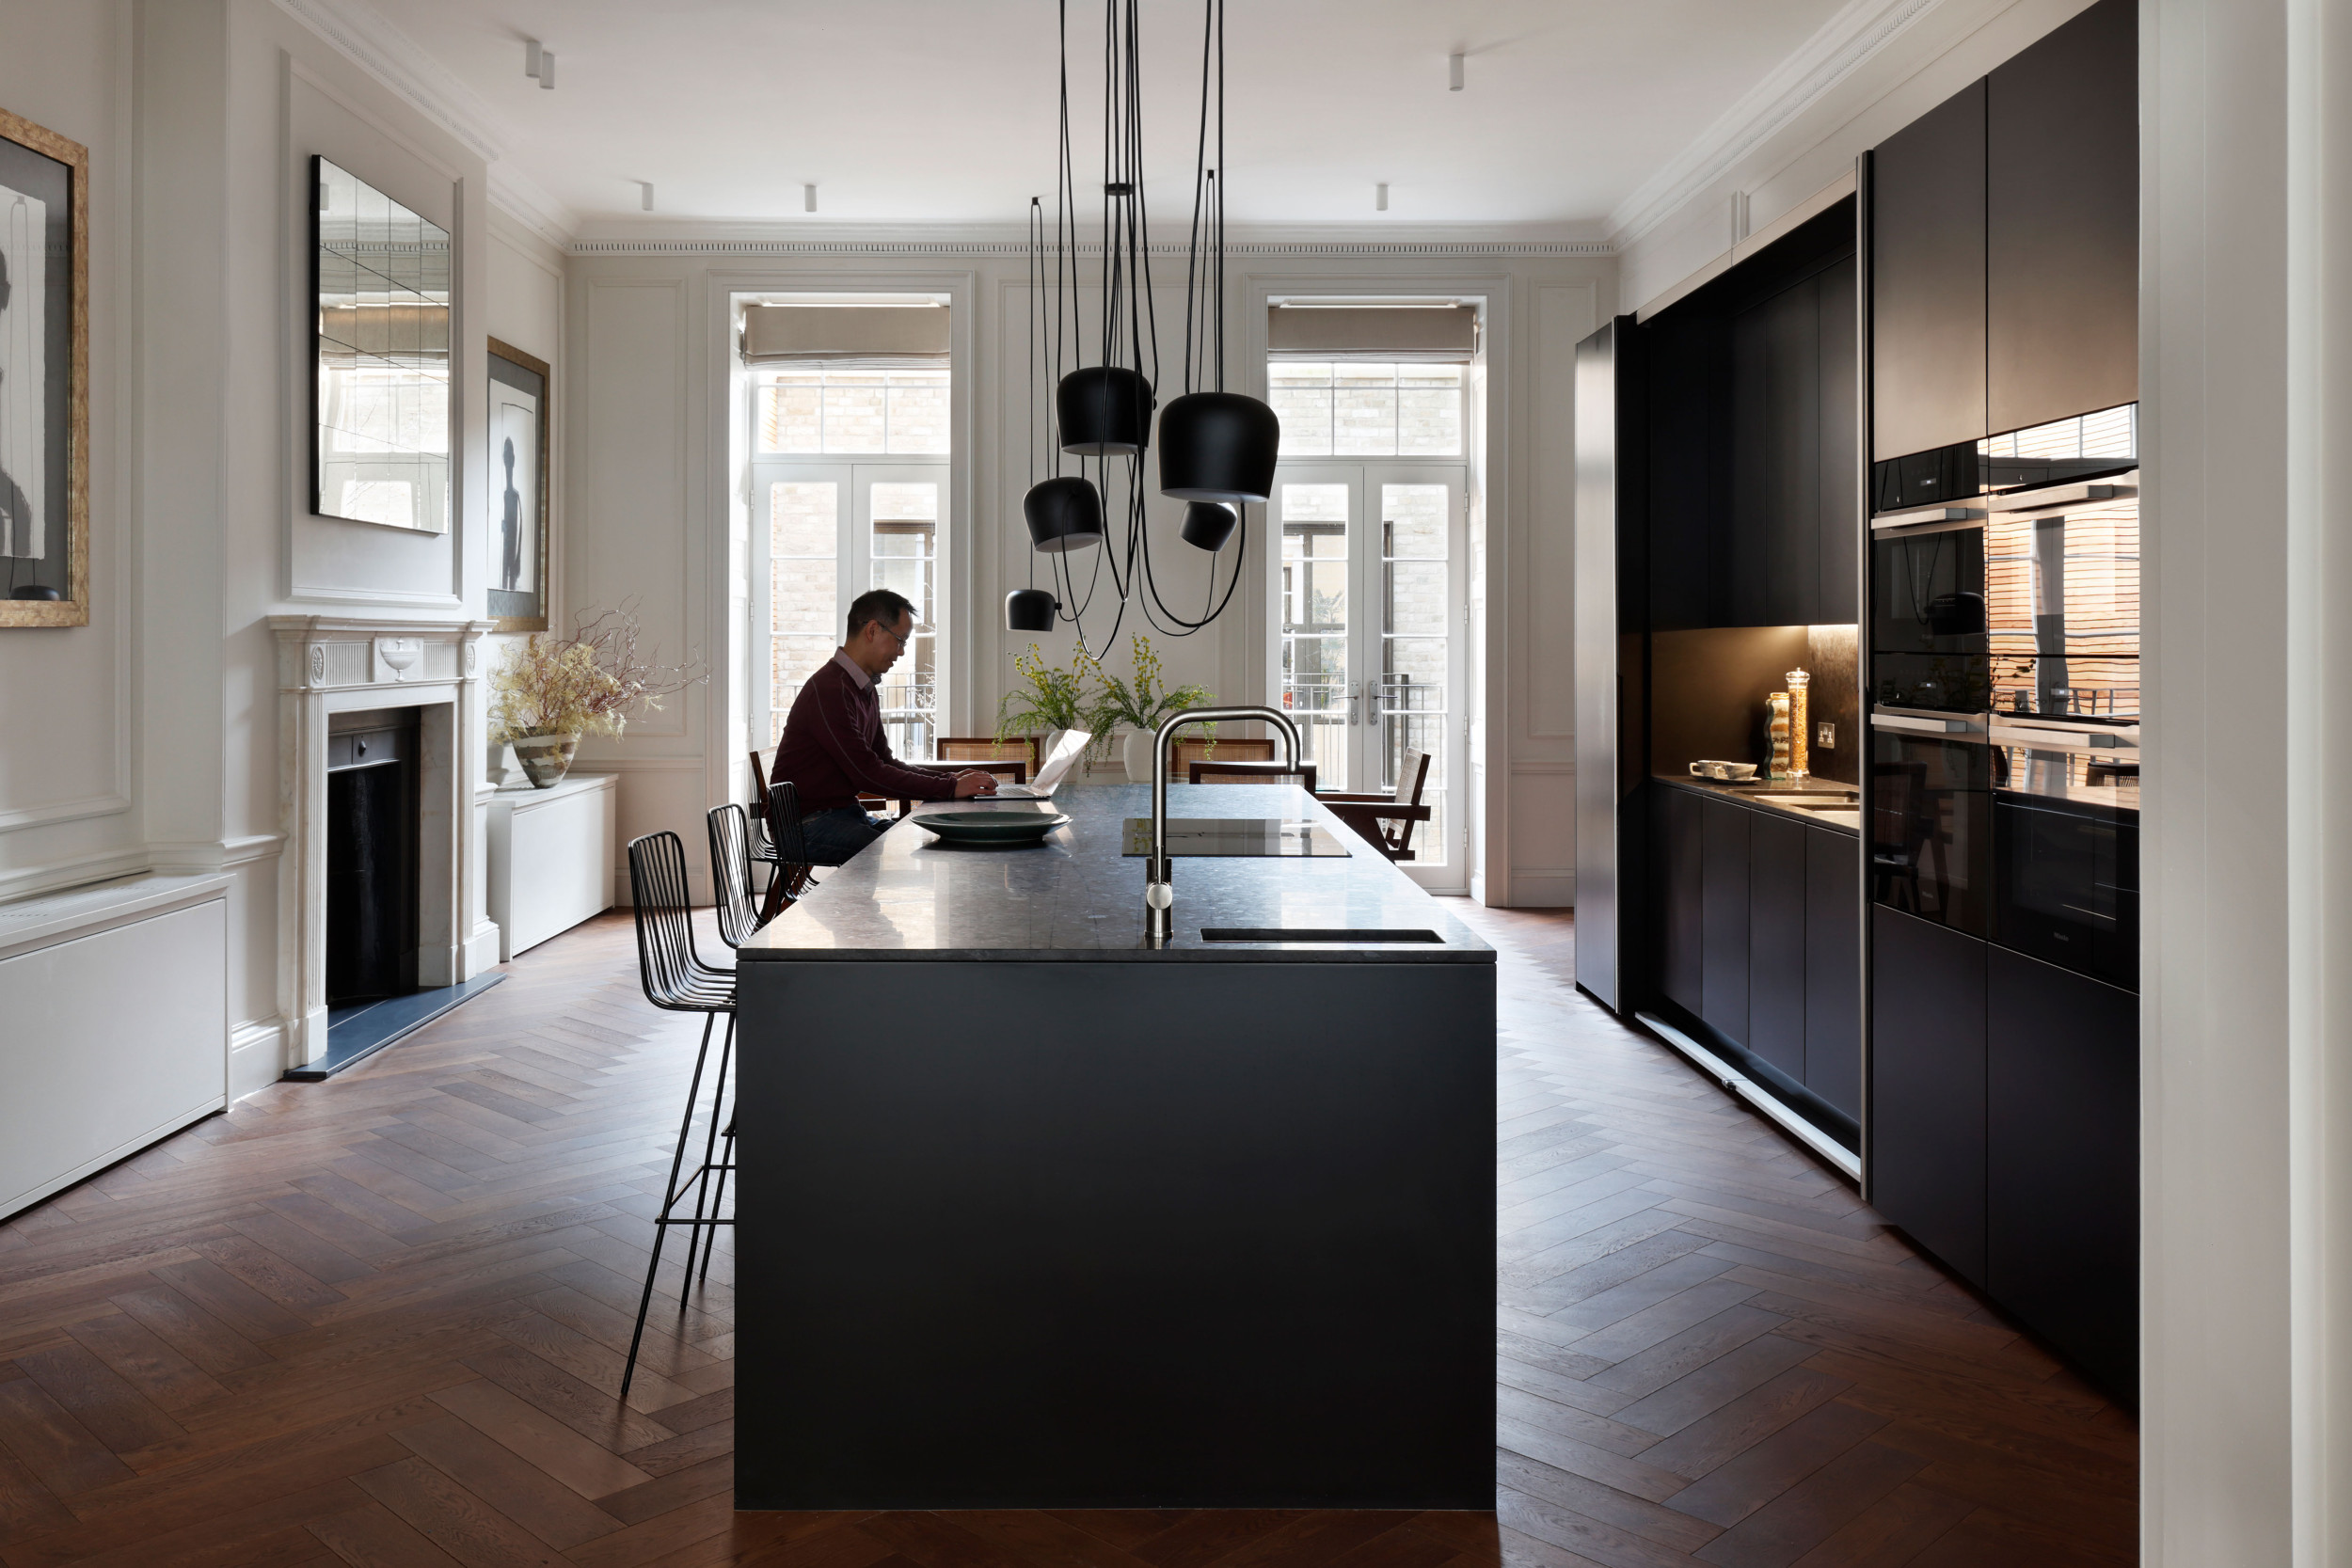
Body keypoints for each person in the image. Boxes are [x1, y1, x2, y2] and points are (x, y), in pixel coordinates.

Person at [771, 588, 996, 864]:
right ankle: (852, 908)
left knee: (921, 840)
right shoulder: (831, 689)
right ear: (873, 630)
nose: (901, 652)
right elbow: (867, 773)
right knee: (901, 852)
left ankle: (856, 908)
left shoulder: (861, 688)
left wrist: (951, 780)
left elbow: (884, 761)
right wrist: (950, 787)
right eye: (900, 641)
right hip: (804, 826)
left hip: (842, 815)